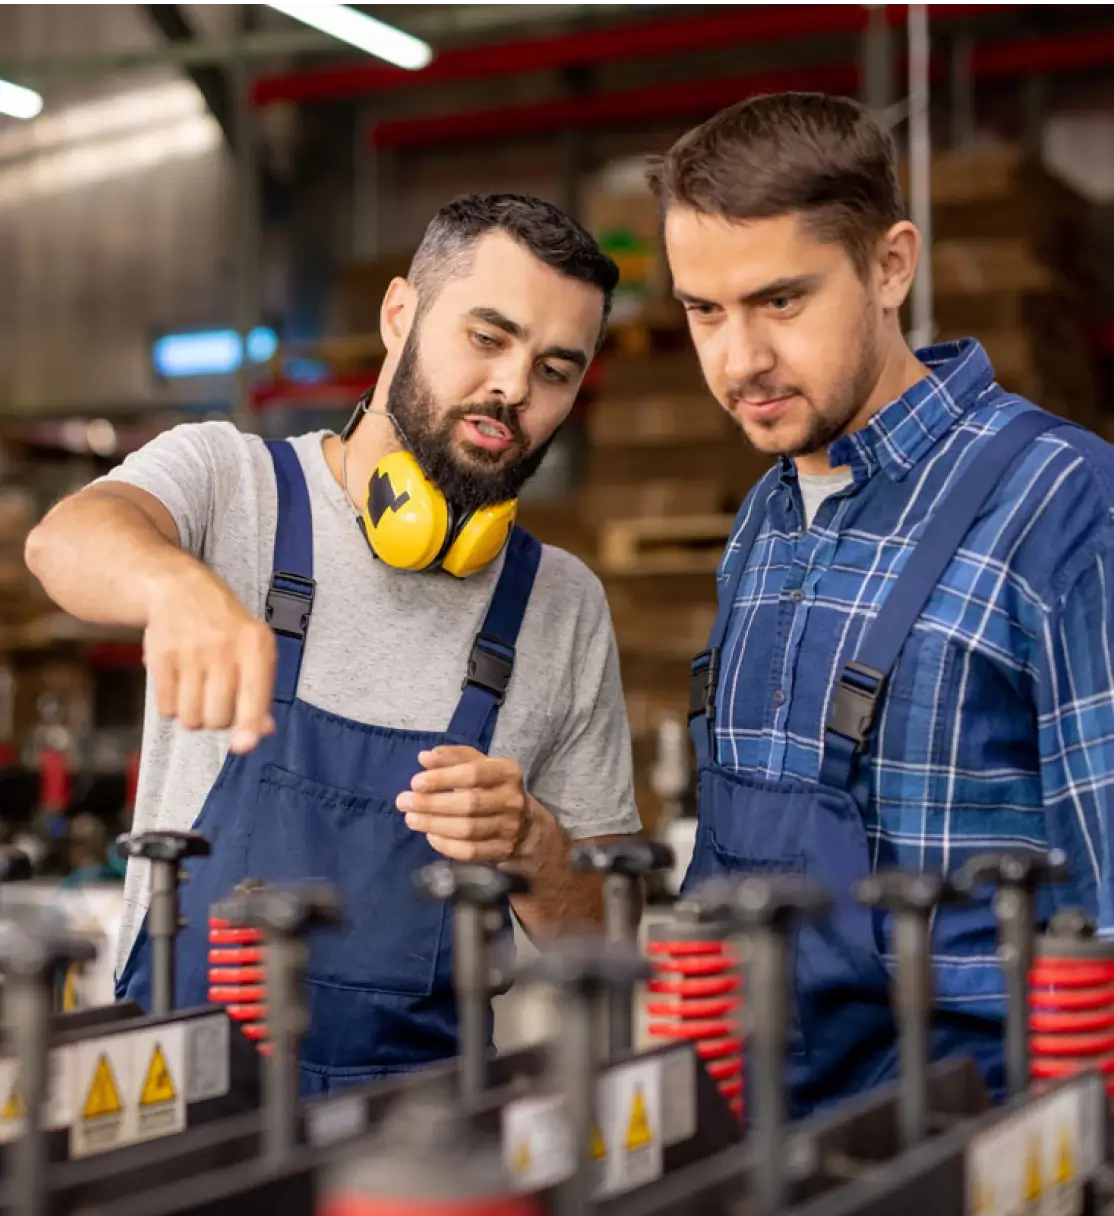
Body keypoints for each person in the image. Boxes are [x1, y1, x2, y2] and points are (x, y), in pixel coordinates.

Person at [25, 192, 643, 1094]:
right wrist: (173, 584)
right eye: (487, 336)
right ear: (401, 314)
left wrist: (537, 850)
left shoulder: (560, 605)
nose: (515, 385)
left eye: (555, 367)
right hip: (171, 1099)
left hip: (420, 1138)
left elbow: (611, 936)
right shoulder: (232, 486)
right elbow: (62, 543)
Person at [646, 92, 1114, 1118]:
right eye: (703, 311)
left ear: (890, 264)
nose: (737, 360)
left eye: (780, 301)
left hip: (980, 1134)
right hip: (770, 1124)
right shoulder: (768, 520)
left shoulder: (1063, 507)